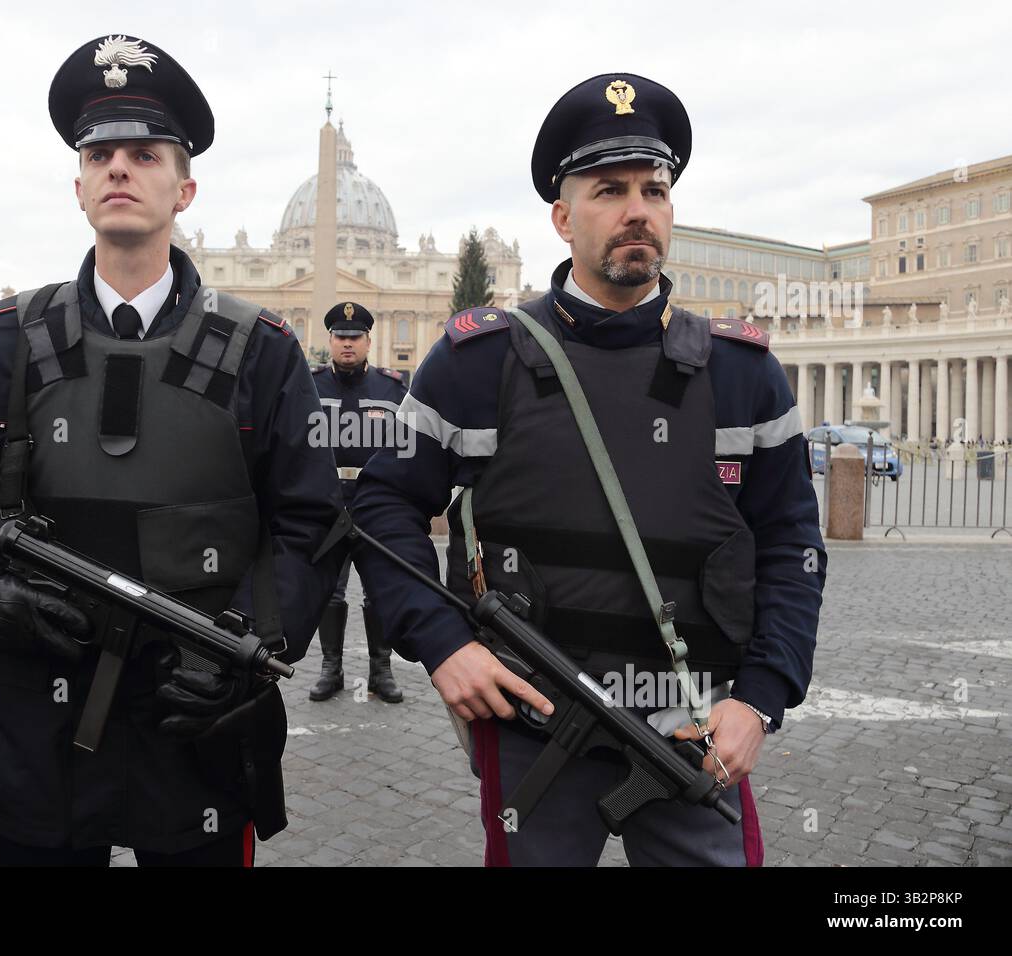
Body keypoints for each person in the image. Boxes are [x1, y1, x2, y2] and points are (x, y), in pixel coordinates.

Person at [0, 34, 342, 867]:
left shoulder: (264, 351)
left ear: (186, 185)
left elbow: (310, 523)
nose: (119, 169)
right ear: (78, 184)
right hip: (40, 708)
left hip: (196, 713)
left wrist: (247, 643)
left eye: (145, 152)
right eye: (100, 153)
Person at [350, 73, 825, 866]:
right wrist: (442, 644)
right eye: (610, 189)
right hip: (537, 724)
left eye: (654, 188)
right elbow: (382, 510)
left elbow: (791, 545)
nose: (638, 208)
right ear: (563, 217)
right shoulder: (477, 362)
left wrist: (761, 700)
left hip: (696, 729)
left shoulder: (745, 374)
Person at [307, 302, 409, 703]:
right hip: (327, 506)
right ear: (330, 341)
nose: (347, 344)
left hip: (374, 504)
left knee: (378, 591)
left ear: (369, 341)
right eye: (340, 337)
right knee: (329, 592)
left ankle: (380, 671)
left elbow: (407, 447)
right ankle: (330, 668)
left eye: (355, 338)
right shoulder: (309, 386)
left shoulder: (391, 388)